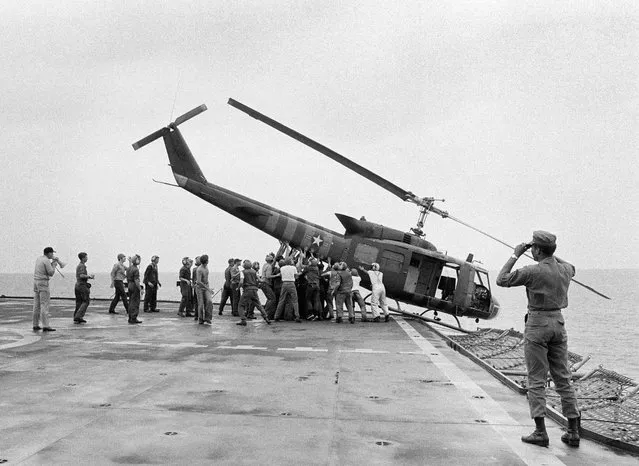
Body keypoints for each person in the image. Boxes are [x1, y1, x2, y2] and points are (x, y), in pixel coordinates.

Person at [496, 230, 580, 448]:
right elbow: (571, 266)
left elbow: (501, 279)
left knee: (536, 379)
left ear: (538, 250)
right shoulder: (565, 270)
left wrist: (515, 254)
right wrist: (551, 254)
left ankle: (540, 432)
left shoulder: (532, 271)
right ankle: (572, 431)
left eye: (533, 247)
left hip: (538, 324)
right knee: (563, 378)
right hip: (558, 324)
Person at [33, 247, 65, 332]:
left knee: (36, 305)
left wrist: (52, 263)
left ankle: (35, 324)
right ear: (49, 253)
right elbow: (50, 273)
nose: (53, 255)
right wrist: (54, 265)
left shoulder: (39, 259)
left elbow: (45, 270)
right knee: (44, 305)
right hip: (43, 283)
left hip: (36, 282)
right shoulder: (46, 260)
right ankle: (46, 326)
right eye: (52, 253)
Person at [237, 260, 271, 326]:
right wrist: (264, 280)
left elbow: (241, 282)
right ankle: (266, 318)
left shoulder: (243, 272)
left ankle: (243, 320)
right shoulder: (254, 272)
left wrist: (238, 287)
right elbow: (260, 280)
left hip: (247, 290)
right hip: (254, 290)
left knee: (241, 305)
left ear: (244, 265)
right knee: (259, 304)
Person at [273, 258, 301, 323]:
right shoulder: (293, 268)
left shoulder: (282, 268)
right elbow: (296, 277)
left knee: (281, 300)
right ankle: (297, 316)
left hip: (284, 284)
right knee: (295, 300)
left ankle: (276, 316)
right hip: (291, 284)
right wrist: (299, 274)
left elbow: (281, 275)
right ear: (290, 262)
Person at [73, 252, 94, 324]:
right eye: (86, 257)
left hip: (77, 285)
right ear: (83, 258)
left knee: (79, 302)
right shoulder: (82, 266)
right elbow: (81, 275)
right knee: (86, 301)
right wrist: (89, 276)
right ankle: (79, 316)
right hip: (82, 285)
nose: (87, 258)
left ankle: (76, 316)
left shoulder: (79, 265)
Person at [195, 254, 213, 324]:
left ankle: (208, 318)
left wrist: (208, 287)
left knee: (209, 301)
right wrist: (208, 289)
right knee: (201, 304)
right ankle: (200, 319)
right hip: (200, 288)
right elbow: (199, 282)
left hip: (206, 285)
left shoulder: (206, 267)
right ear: (206, 261)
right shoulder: (199, 269)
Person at [126, 255, 143, 324]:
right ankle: (133, 317)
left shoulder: (129, 268)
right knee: (135, 302)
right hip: (134, 286)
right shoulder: (136, 269)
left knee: (131, 302)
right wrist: (140, 289)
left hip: (130, 284)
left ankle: (130, 317)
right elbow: (136, 280)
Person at [191, 256, 201, 321]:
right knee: (199, 302)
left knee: (196, 302)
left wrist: (193, 284)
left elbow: (193, 278)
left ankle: (196, 315)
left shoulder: (194, 269)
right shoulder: (200, 269)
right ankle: (199, 315)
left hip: (196, 286)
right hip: (199, 286)